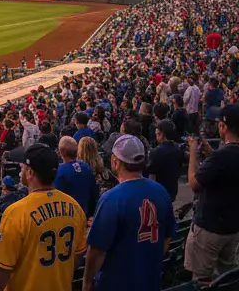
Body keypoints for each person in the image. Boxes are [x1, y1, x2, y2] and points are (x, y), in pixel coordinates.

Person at [0, 143, 87, 291]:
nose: (20, 172)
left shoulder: (16, 212)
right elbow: (78, 256)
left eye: (22, 168)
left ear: (30, 173)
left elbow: (0, 270)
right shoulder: (74, 206)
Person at [84, 136, 176, 291]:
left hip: (116, 283)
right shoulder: (161, 191)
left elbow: (97, 251)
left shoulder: (111, 198)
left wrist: (86, 283)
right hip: (150, 280)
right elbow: (167, 237)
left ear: (115, 161)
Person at [185, 104, 239, 285]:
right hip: (232, 228)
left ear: (224, 126)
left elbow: (194, 183)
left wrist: (193, 151)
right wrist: (212, 153)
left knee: (201, 280)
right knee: (226, 279)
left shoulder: (221, 157)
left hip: (210, 228)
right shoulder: (222, 156)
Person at [52, 135, 100, 217]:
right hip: (86, 216)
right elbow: (94, 194)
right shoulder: (86, 167)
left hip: (69, 219)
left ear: (62, 152)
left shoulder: (59, 172)